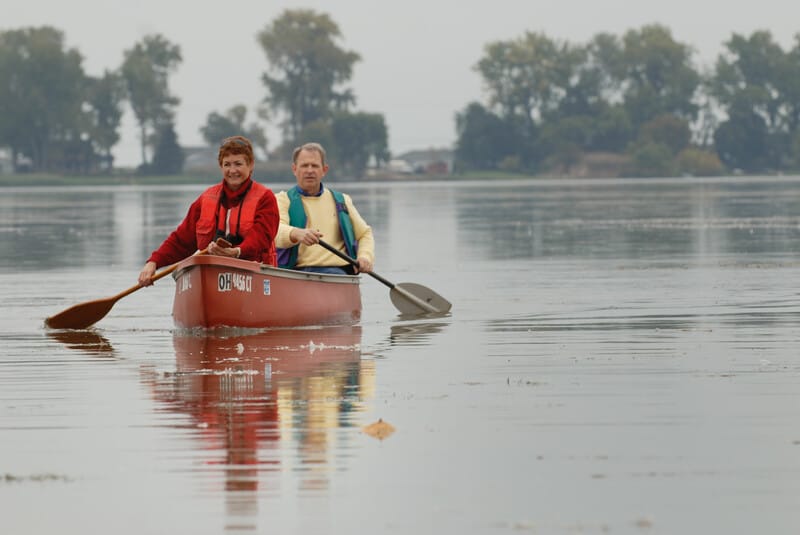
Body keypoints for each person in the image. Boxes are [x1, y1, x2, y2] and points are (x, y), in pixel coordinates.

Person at [138, 135, 279, 286]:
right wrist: (154, 262)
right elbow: (181, 240)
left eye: (238, 164)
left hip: (255, 275)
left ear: (251, 165)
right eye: (227, 164)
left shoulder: (265, 198)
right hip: (213, 274)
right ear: (221, 166)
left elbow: (260, 236)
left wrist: (236, 252)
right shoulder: (206, 199)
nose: (232, 170)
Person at [275, 142, 374, 275]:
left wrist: (365, 257)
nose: (309, 170)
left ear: (324, 170)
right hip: (298, 273)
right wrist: (296, 233)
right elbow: (275, 232)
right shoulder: (283, 199)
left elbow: (364, 234)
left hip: (338, 273)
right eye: (304, 165)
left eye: (315, 166)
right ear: (294, 169)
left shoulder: (342, 200)